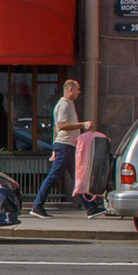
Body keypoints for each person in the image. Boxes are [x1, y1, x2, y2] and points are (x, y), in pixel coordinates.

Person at [31, 79, 93, 217]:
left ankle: (91, 206)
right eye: (77, 89)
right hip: (65, 147)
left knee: (77, 178)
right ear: (70, 89)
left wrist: (54, 147)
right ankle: (37, 206)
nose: (79, 92)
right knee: (53, 176)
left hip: (66, 146)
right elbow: (62, 125)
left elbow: (56, 129)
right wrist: (82, 125)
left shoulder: (66, 104)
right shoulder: (64, 104)